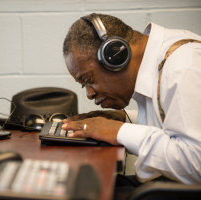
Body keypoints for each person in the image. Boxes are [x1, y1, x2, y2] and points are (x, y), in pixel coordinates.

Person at [61, 12, 201, 194]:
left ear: (117, 55)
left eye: (89, 79)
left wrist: (118, 131)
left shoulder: (182, 69)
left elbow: (195, 162)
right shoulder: (163, 59)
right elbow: (173, 121)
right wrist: (123, 120)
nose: (89, 94)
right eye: (83, 86)